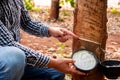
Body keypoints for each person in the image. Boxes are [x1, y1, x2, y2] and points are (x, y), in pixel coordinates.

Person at [0, 0, 85, 80]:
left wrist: (50, 31)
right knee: (15, 57)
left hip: (15, 63)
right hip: (8, 60)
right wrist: (54, 63)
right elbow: (8, 44)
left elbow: (26, 22)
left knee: (56, 74)